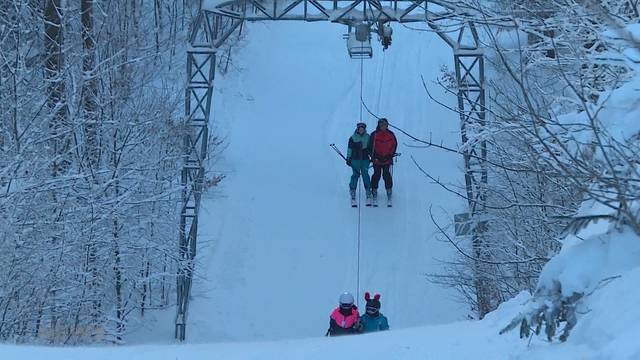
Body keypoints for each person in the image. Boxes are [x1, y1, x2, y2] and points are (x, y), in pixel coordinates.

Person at [369, 118, 397, 207]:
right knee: (376, 174)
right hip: (377, 159)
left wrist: (391, 154)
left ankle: (389, 190)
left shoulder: (391, 134)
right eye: (381, 125)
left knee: (386, 174)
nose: (383, 126)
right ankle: (374, 190)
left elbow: (394, 144)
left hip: (387, 159)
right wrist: (373, 157)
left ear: (387, 125)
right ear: (379, 125)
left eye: (384, 125)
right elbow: (370, 147)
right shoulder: (374, 134)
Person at [346, 122, 372, 207]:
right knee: (355, 175)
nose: (361, 130)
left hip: (365, 159)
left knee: (365, 175)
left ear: (364, 129)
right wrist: (348, 158)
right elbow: (349, 149)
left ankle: (368, 192)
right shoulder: (353, 138)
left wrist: (372, 156)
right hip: (355, 159)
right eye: (359, 128)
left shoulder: (368, 137)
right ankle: (352, 191)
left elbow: (371, 147)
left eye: (362, 128)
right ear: (357, 129)